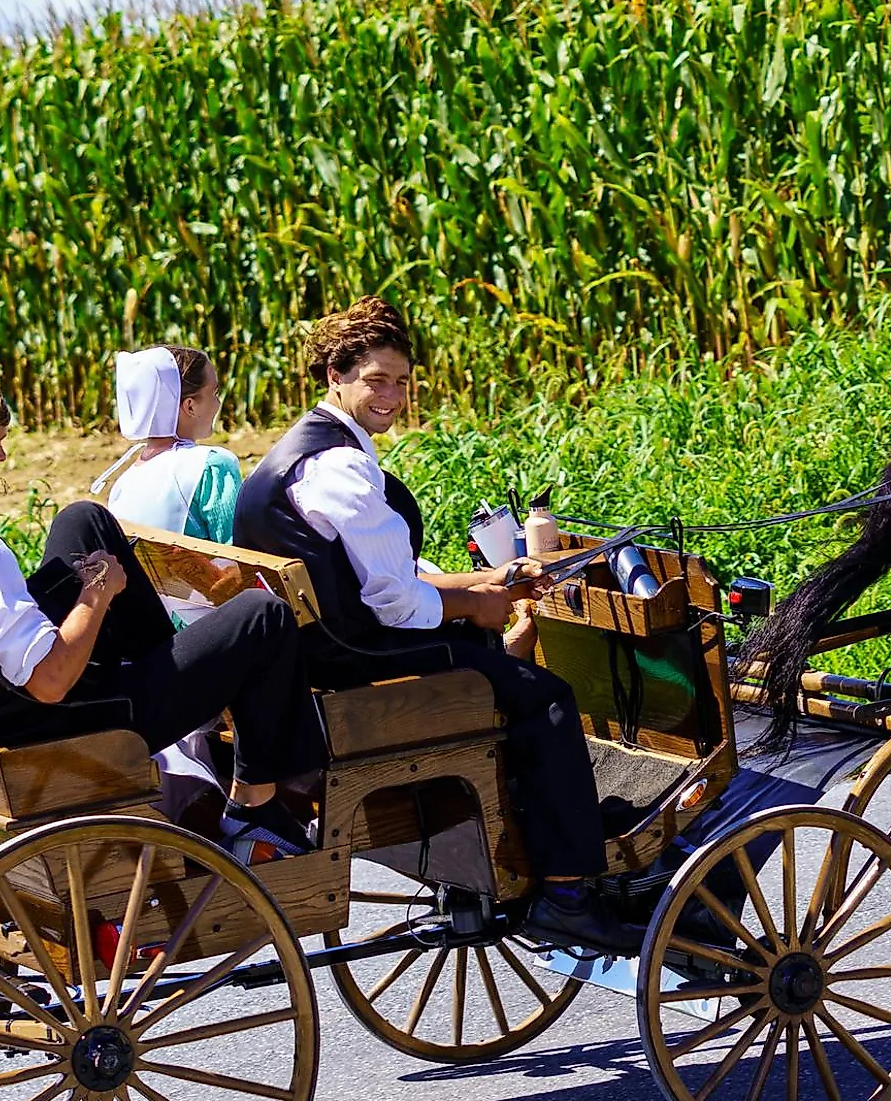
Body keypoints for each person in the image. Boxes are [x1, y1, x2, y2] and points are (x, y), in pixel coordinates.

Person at [233, 298, 616, 943]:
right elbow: (396, 604)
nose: (392, 395)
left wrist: (481, 580)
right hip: (354, 655)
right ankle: (568, 888)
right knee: (547, 699)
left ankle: (516, 830)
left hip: (325, 643)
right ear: (337, 376)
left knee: (487, 648)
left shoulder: (301, 450)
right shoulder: (341, 467)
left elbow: (386, 576)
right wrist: (480, 604)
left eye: (401, 382)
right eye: (375, 380)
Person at [0, 367, 320, 861]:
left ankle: (185, 679)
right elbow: (51, 681)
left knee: (85, 519)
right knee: (262, 613)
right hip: (60, 726)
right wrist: (95, 595)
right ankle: (253, 809)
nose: (3, 456)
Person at [96, 345, 244, 555]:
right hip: (203, 587)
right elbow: (240, 555)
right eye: (214, 392)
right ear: (190, 406)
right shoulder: (211, 465)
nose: (218, 403)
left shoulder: (123, 484)